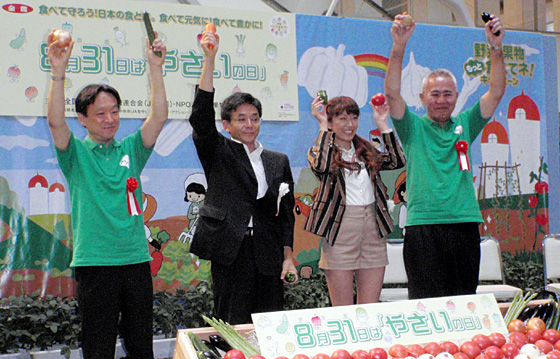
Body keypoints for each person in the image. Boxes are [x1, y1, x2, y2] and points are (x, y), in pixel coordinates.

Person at [46, 29, 168, 359]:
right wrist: (58, 71)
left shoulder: (131, 149)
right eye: (100, 113)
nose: (110, 119)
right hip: (94, 264)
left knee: (141, 349)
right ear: (84, 118)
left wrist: (155, 68)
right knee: (98, 353)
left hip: (134, 261)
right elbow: (54, 123)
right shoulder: (74, 155)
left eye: (114, 111)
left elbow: (159, 116)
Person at [384, 13, 506, 299]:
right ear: (423, 97)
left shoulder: (467, 123)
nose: (441, 100)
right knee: (425, 305)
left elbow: (496, 92)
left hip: (463, 225)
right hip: (422, 227)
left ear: (456, 96)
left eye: (448, 94)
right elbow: (391, 95)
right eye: (435, 94)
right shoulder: (411, 126)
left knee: (464, 303)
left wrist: (496, 48)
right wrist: (398, 47)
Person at [189, 26, 298, 325]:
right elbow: (200, 119)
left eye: (255, 118)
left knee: (271, 323)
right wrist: (209, 60)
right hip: (229, 250)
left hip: (268, 252)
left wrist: (288, 257)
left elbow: (286, 215)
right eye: (241, 119)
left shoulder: (278, 161)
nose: (250, 124)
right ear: (226, 124)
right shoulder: (218, 152)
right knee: (232, 323)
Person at [305, 95, 406, 306]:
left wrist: (382, 124)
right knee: (343, 309)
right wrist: (323, 125)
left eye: (353, 118)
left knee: (369, 306)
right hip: (341, 228)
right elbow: (322, 167)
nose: (349, 125)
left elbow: (398, 160)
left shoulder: (366, 151)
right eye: (341, 118)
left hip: (373, 227)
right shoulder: (319, 151)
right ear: (331, 122)